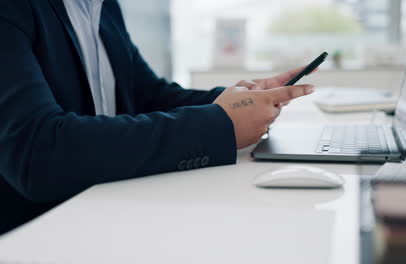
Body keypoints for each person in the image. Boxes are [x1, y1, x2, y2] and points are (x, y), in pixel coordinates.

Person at [0, 0, 315, 234]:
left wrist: (240, 102)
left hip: (109, 213)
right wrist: (221, 124)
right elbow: (36, 152)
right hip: (38, 235)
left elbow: (148, 95)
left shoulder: (103, 7)